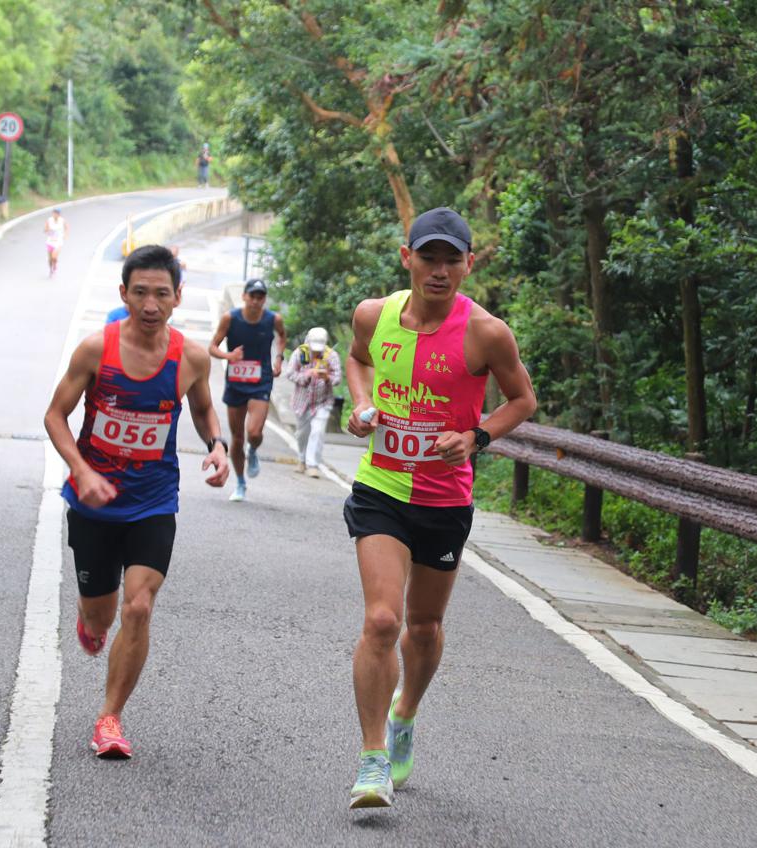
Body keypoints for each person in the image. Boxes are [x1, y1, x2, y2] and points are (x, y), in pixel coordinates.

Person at [341, 207, 537, 808]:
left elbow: (522, 400)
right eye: (429, 257)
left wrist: (476, 437)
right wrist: (363, 403)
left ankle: (404, 716)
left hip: (443, 500)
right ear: (408, 258)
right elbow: (357, 358)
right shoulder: (374, 315)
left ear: (468, 264)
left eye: (453, 260)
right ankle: (372, 760)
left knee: (422, 628)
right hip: (381, 487)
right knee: (382, 620)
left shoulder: (486, 333)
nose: (440, 270)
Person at [44, 244, 231, 759]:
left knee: (140, 606)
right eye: (141, 293)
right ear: (124, 293)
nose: (151, 304)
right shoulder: (94, 350)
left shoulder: (190, 357)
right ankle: (91, 621)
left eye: (162, 294)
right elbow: (55, 416)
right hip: (93, 503)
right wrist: (81, 471)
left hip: (152, 501)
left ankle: (110, 718)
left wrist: (218, 447)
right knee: (102, 616)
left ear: (177, 298)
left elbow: (204, 410)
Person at [209, 278, 286, 502]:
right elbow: (212, 347)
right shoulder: (230, 318)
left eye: (260, 296)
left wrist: (279, 359)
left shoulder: (273, 319)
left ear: (264, 299)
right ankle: (240, 482)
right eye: (252, 296)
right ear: (244, 296)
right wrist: (228, 356)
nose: (255, 301)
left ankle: (253, 452)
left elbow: (282, 337)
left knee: (254, 432)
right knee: (237, 437)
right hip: (236, 380)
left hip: (261, 379)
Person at [285, 327, 341, 476]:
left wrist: (327, 377)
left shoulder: (331, 356)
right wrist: (306, 375)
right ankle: (301, 460)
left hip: (323, 401)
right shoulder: (300, 353)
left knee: (318, 431)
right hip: (301, 401)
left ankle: (313, 464)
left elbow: (337, 378)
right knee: (302, 433)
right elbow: (290, 373)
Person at [44, 208, 68, 278]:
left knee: (54, 256)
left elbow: (67, 228)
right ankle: (51, 269)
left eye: (57, 213)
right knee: (50, 259)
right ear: (52, 213)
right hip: (50, 241)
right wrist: (48, 230)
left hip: (59, 241)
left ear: (59, 214)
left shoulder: (62, 220)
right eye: (54, 213)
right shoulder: (49, 220)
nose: (55, 214)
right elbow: (45, 230)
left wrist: (65, 235)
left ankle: (55, 266)